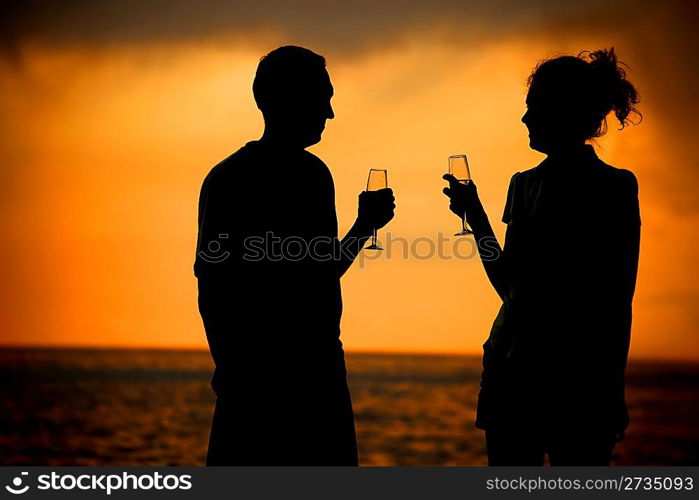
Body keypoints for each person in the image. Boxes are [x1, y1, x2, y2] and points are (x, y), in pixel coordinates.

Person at [194, 46, 395, 465]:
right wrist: (236, 375)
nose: (330, 113)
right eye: (323, 98)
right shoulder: (303, 176)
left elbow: (315, 273)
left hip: (281, 379)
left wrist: (363, 228)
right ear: (287, 99)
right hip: (290, 381)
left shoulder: (232, 177)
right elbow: (215, 285)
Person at [443, 48, 641, 465]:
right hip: (514, 373)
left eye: (534, 108)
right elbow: (512, 289)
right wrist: (475, 216)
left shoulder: (614, 188)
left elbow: (615, 299)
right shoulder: (525, 184)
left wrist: (611, 390)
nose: (525, 119)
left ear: (563, 112)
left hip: (570, 380)